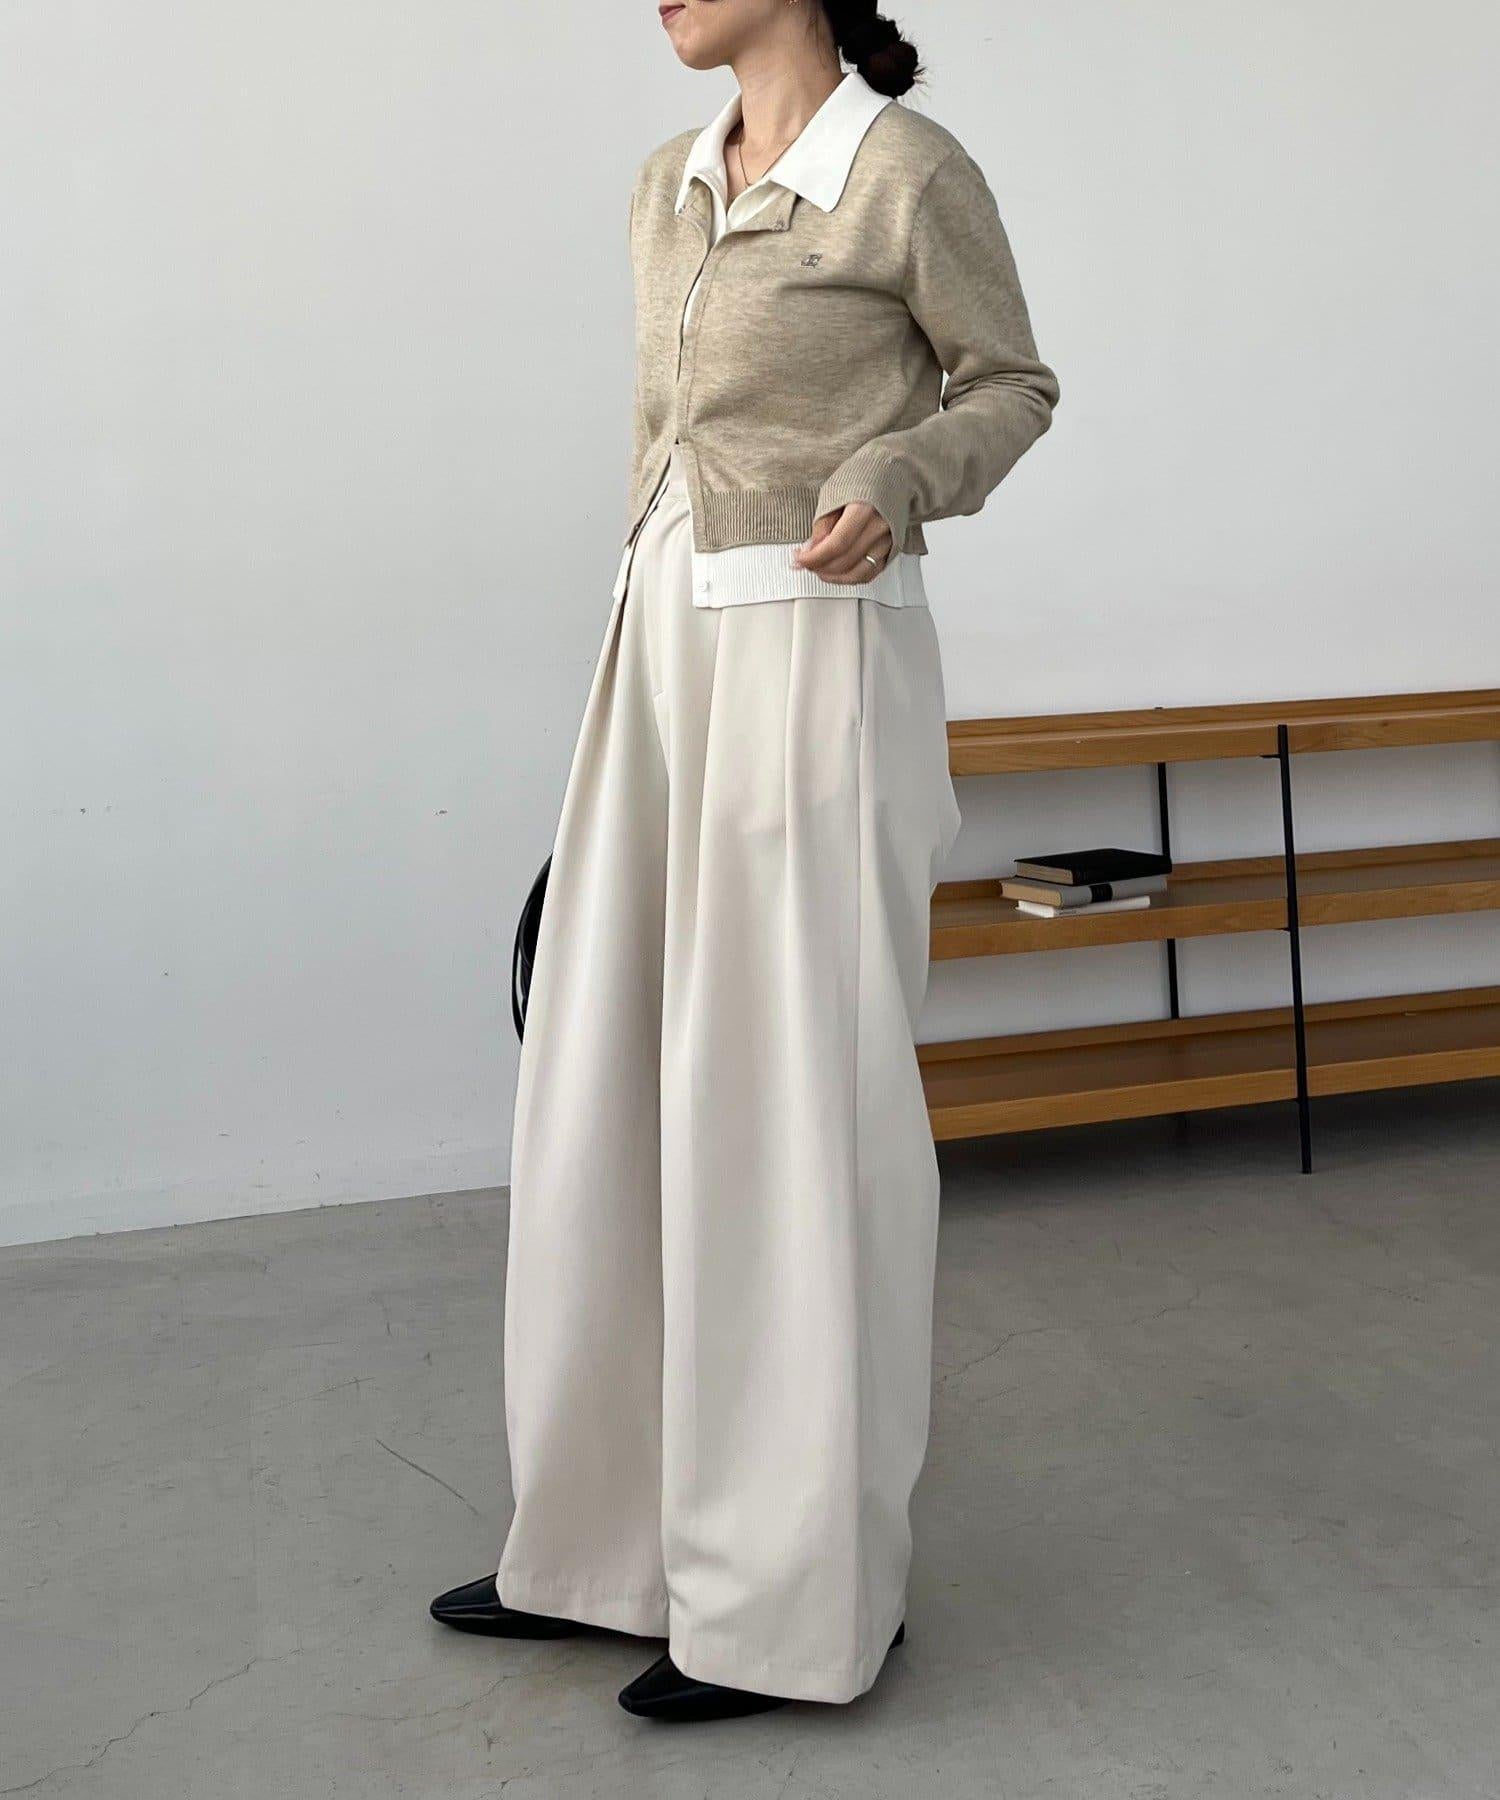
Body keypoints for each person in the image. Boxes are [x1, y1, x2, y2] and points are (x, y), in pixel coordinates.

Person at [432, 0, 1059, 1722]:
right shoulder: (669, 182)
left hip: (813, 647)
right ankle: (602, 1551)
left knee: (786, 1111)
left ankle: (795, 1602)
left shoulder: (906, 172)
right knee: (605, 1079)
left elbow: (1012, 383)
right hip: (660, 639)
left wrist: (900, 468)